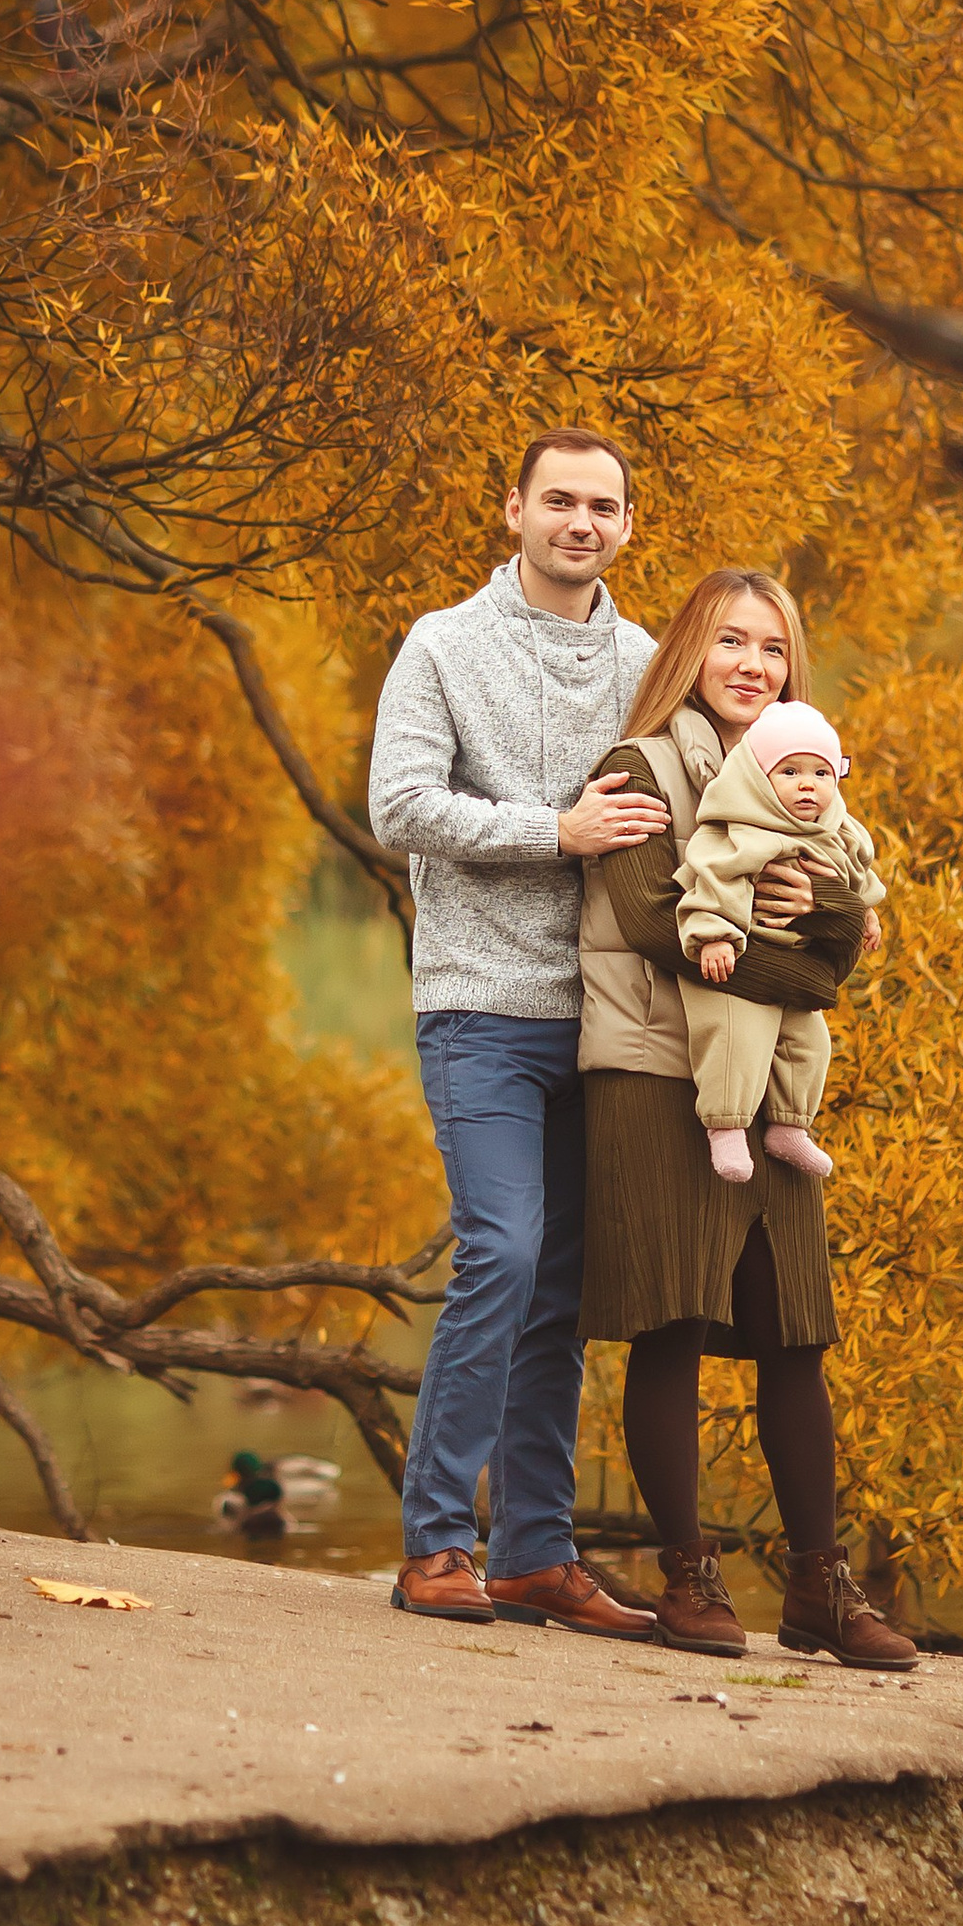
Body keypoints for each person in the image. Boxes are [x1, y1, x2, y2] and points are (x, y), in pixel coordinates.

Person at [575, 569, 918, 1672]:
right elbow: (648, 920)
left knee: (793, 1334)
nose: (751, 664)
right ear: (690, 651)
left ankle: (818, 1585)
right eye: (729, 641)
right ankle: (688, 1573)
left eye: (770, 648)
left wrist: (815, 925)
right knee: (673, 1326)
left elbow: (843, 934)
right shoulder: (638, 768)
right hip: (653, 1074)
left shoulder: (806, 780)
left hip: (768, 1090)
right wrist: (806, 966)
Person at [368, 428, 671, 1633]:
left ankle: (537, 1552)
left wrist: (825, 902)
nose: (579, 522)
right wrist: (557, 831)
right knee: (500, 1246)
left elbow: (727, 803)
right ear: (514, 511)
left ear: (628, 526)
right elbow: (399, 805)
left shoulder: (649, 662)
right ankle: (437, 1543)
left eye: (603, 505)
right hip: (479, 1004)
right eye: (559, 500)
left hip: (606, 1020)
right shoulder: (441, 645)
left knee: (559, 1287)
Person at [677, 698, 884, 1184]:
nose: (808, 785)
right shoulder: (742, 830)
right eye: (789, 771)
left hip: (800, 964)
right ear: (758, 779)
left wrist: (864, 911)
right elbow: (713, 879)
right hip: (743, 959)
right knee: (735, 1040)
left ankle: (790, 1127)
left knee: (810, 1044)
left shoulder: (836, 831)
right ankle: (726, 1126)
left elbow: (857, 872)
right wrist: (715, 937)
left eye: (821, 773)